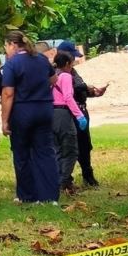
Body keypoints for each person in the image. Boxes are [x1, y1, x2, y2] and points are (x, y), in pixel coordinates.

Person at [1, 30, 60, 204]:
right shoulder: (41, 59)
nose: (6, 50)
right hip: (44, 109)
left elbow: (8, 93)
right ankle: (49, 196)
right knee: (45, 152)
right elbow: (54, 80)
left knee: (22, 153)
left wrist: (4, 120)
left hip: (22, 112)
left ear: (13, 44)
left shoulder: (12, 64)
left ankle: (27, 195)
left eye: (6, 46)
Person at [57, 40, 107, 187]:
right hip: (69, 113)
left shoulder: (72, 71)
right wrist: (86, 87)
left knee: (85, 145)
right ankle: (66, 179)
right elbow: (71, 91)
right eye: (72, 57)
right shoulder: (58, 73)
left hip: (80, 110)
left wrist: (93, 92)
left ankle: (88, 175)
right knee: (68, 147)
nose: (74, 60)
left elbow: (79, 89)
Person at [51, 52, 85, 195]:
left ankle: (57, 180)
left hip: (51, 114)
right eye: (71, 63)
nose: (72, 66)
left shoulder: (52, 76)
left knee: (57, 150)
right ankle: (64, 182)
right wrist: (79, 115)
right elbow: (68, 97)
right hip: (63, 114)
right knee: (71, 151)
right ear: (66, 64)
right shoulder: (65, 76)